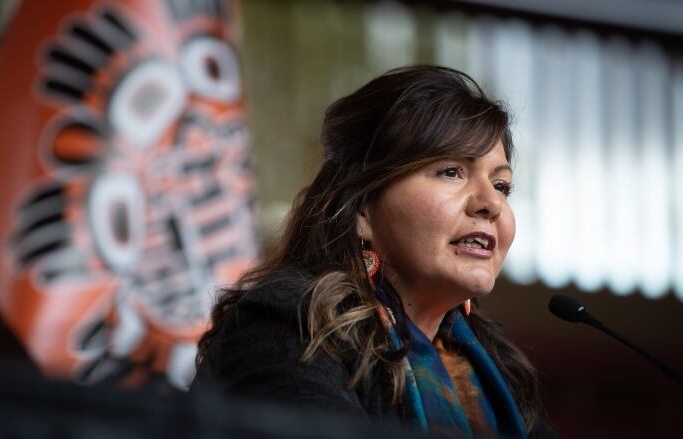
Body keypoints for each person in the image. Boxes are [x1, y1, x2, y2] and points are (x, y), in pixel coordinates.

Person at [192, 66, 556, 438]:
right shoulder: (289, 324)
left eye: (502, 185)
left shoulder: (495, 368)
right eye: (451, 172)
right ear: (363, 208)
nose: (490, 203)